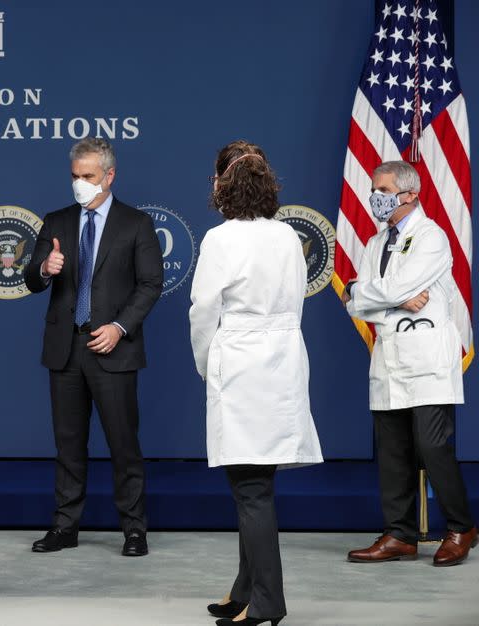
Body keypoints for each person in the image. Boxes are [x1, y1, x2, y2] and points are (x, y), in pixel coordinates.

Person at [189, 140, 323, 626]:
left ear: (221, 184)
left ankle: (268, 600)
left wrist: (207, 363)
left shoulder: (221, 240)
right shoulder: (287, 236)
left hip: (241, 363)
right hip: (283, 359)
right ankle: (246, 588)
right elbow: (296, 305)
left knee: (250, 489)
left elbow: (204, 311)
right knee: (253, 483)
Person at [24, 138, 163, 557]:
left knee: (123, 444)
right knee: (68, 444)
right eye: (74, 176)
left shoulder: (135, 224)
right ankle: (65, 526)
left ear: (109, 175)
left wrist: (120, 327)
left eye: (87, 176)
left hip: (113, 349)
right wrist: (44, 269)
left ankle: (134, 530)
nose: (80, 184)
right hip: (65, 349)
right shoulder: (56, 221)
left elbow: (150, 284)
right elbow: (31, 278)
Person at [342, 160, 476, 567]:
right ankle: (399, 534)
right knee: (393, 450)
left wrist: (370, 294)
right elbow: (355, 303)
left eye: (382, 190)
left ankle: (460, 528)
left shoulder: (431, 236)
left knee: (432, 446)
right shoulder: (373, 243)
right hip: (389, 359)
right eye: (373, 189)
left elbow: (374, 292)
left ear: (410, 194)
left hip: (428, 360)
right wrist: (394, 301)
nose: (374, 198)